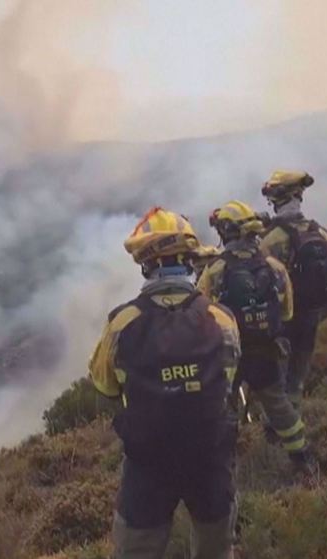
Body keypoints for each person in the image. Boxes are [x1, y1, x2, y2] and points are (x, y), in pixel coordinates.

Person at [90, 206, 241, 559]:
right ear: (189, 260)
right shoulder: (221, 319)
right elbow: (228, 380)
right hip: (209, 454)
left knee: (137, 550)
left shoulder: (122, 322)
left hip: (148, 462)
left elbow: (105, 387)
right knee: (215, 546)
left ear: (145, 264)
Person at [197, 201, 316, 479]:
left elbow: (201, 314)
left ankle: (226, 468)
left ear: (226, 232)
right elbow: (287, 311)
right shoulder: (275, 267)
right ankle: (302, 458)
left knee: (225, 410)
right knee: (278, 404)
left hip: (228, 357)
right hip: (267, 352)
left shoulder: (214, 270)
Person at [259, 170, 327, 407]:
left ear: (276, 200)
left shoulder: (270, 239)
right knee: (297, 379)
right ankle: (297, 421)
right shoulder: (321, 232)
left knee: (277, 382)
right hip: (312, 317)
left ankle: (276, 433)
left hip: (281, 323)